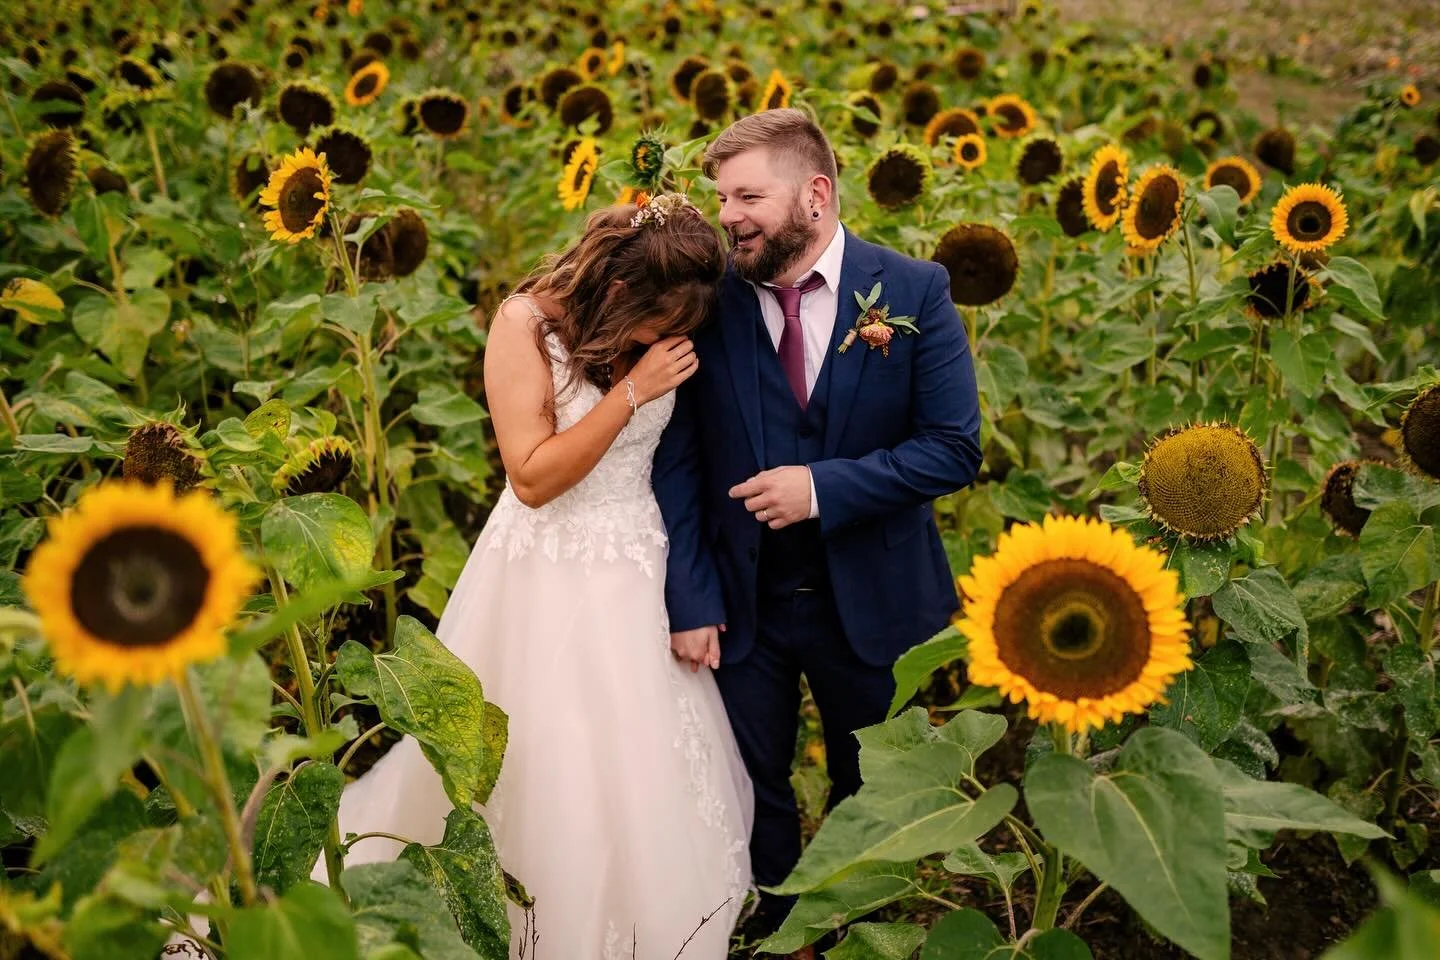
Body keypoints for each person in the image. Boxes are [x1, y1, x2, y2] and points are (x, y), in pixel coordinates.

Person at [320, 195, 754, 960]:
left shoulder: (659, 329)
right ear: (619, 294)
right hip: (545, 571)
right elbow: (531, 476)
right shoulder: (525, 326)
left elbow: (682, 460)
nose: (670, 341)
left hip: (636, 563)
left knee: (647, 752)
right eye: (660, 325)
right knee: (547, 749)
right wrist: (632, 392)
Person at [653, 109, 982, 948]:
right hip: (740, 598)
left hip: (875, 595)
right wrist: (688, 596)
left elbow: (953, 449)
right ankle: (775, 918)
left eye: (747, 195)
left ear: (816, 195)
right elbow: (678, 461)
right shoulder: (711, 301)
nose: (727, 215)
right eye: (722, 195)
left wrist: (821, 487)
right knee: (749, 778)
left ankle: (849, 921)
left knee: (869, 779)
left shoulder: (913, 292)